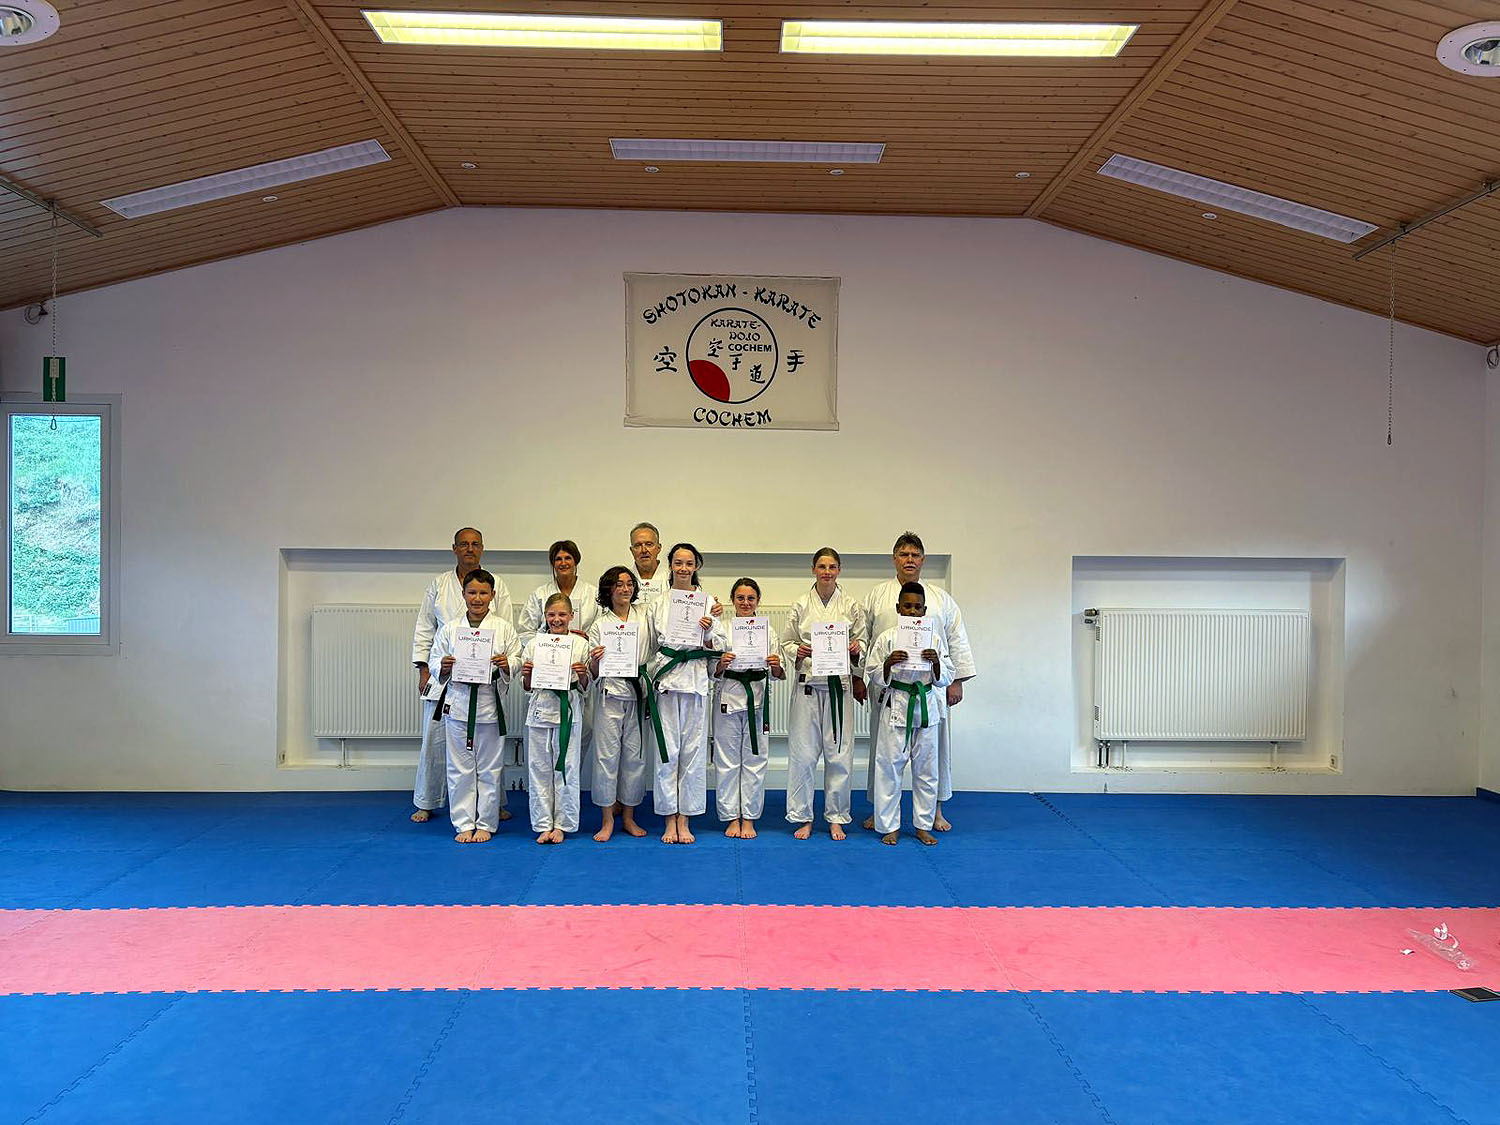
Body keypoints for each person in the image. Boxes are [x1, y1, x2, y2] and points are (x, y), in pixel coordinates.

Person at [861, 532, 975, 832]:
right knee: (885, 755)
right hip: (889, 689)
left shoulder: (940, 599)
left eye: (914, 555)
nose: (909, 560)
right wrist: (861, 677)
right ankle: (881, 813)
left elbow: (955, 639)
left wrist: (956, 681)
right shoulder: (877, 596)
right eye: (903, 554)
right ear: (894, 559)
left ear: (922, 560)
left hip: (930, 690)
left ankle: (934, 811)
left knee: (931, 757)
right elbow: (863, 638)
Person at [410, 527, 513, 824]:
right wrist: (425, 669)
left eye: (475, 544)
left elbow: (504, 627)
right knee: (435, 739)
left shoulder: (497, 584)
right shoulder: (439, 584)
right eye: (464, 544)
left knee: (487, 750)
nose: (469, 548)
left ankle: (493, 805)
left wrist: (501, 664)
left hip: (485, 675)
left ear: (482, 548)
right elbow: (425, 627)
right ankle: (427, 800)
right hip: (446, 670)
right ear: (454, 548)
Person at [427, 569, 521, 843]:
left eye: (483, 593)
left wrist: (508, 664)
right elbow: (434, 660)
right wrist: (442, 666)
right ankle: (464, 823)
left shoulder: (503, 627)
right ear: (463, 594)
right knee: (459, 769)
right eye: (472, 592)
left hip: (490, 707)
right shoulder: (450, 629)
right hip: (458, 705)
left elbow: (517, 657)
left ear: (492, 595)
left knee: (490, 769)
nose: (477, 598)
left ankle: (486, 823)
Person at [781, 548, 866, 840]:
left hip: (839, 687)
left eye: (831, 567)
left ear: (839, 570)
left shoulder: (851, 605)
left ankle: (836, 817)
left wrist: (856, 648)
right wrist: (799, 650)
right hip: (808, 686)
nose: (826, 572)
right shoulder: (801, 604)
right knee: (803, 756)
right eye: (821, 566)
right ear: (813, 569)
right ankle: (803, 816)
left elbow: (863, 641)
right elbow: (787, 642)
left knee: (839, 754)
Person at [644, 542, 725, 844]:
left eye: (689, 563)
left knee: (693, 752)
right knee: (667, 752)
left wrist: (708, 631)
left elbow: (720, 645)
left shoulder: (707, 602)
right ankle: (669, 817)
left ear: (696, 567)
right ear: (670, 565)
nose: (683, 568)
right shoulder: (658, 603)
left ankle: (685, 818)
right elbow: (650, 645)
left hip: (695, 680)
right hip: (667, 682)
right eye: (678, 563)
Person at [865, 582, 952, 846]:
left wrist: (936, 663)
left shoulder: (934, 639)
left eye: (917, 607)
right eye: (907, 606)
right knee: (889, 768)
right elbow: (872, 672)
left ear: (924, 610)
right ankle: (889, 826)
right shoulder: (887, 638)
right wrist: (887, 664)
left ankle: (923, 825)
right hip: (896, 704)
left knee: (927, 770)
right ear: (898, 608)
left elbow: (947, 676)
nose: (912, 611)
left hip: (925, 706)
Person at [713, 578, 785, 838]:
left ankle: (750, 817)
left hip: (757, 700)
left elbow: (778, 674)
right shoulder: (722, 629)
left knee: (755, 760)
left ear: (758, 601)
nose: (745, 603)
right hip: (728, 698)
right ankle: (731, 817)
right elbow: (712, 672)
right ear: (732, 600)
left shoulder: (768, 631)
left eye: (750, 598)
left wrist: (775, 664)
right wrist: (721, 664)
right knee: (727, 761)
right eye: (740, 598)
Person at [521, 592, 591, 844]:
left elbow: (585, 687)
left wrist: (582, 675)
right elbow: (527, 687)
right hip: (540, 709)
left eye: (562, 614)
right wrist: (527, 674)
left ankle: (562, 824)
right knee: (539, 767)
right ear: (545, 616)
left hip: (568, 709)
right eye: (551, 614)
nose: (556, 619)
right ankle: (542, 824)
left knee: (567, 767)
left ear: (571, 616)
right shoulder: (534, 644)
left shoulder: (581, 644)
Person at [587, 565, 651, 841]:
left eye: (629, 584)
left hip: (637, 693)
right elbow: (591, 671)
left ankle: (628, 817)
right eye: (618, 584)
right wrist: (595, 660)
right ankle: (607, 819)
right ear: (608, 590)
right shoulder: (600, 625)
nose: (625, 589)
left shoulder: (644, 615)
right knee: (606, 757)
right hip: (609, 694)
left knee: (635, 757)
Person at [519, 539, 598, 645]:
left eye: (568, 558)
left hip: (582, 651)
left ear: (576, 561)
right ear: (553, 564)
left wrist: (587, 639)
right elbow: (525, 632)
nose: (563, 563)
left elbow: (600, 631)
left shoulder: (593, 594)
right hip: (547, 651)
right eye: (558, 559)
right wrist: (545, 641)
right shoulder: (539, 594)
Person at [628, 522, 668, 603]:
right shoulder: (622, 581)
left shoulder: (672, 579)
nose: (644, 550)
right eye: (638, 545)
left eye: (649, 544)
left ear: (658, 548)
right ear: (632, 550)